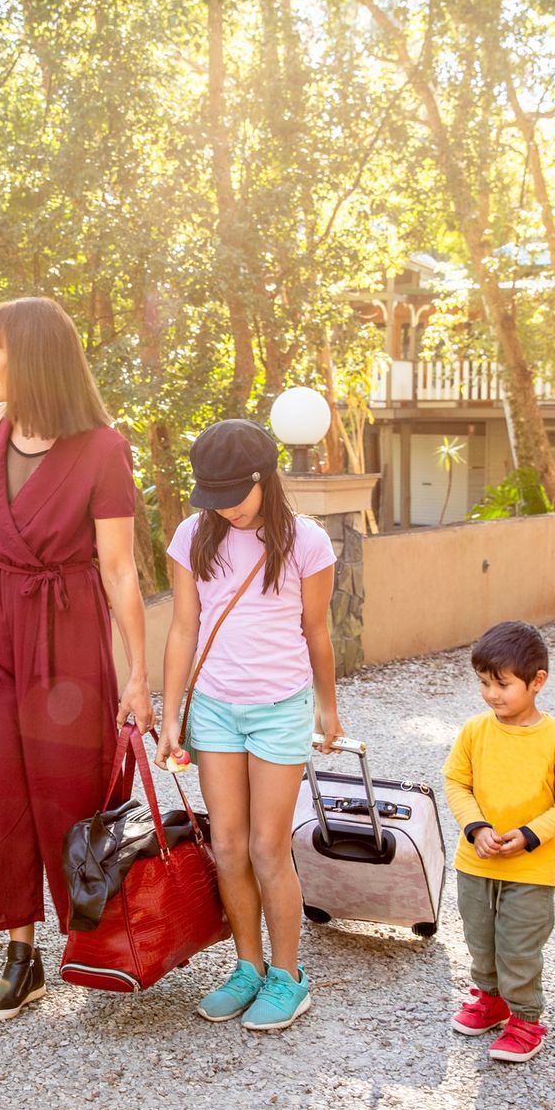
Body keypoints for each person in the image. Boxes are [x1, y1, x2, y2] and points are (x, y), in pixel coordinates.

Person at [0, 296, 154, 1021]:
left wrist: (139, 676)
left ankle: (93, 941)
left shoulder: (104, 449)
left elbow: (119, 570)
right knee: (3, 788)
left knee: (70, 786)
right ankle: (20, 955)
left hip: (66, 629)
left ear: (31, 357)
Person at [156, 419, 342, 1033]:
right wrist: (170, 715)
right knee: (228, 846)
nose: (225, 509)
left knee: (267, 846)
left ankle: (289, 979)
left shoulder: (307, 542)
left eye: (234, 495)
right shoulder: (192, 536)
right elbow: (184, 627)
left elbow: (317, 631)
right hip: (213, 709)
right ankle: (247, 966)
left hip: (279, 708)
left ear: (264, 479)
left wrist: (327, 707)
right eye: (214, 497)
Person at [442, 621, 555, 1062]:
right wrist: (476, 828)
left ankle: (526, 1019)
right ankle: (491, 1000)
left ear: (537, 682)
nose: (492, 694)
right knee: (480, 937)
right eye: (484, 683)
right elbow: (456, 783)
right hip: (476, 862)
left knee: (519, 943)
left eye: (503, 684)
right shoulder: (475, 730)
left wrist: (531, 835)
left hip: (531, 869)